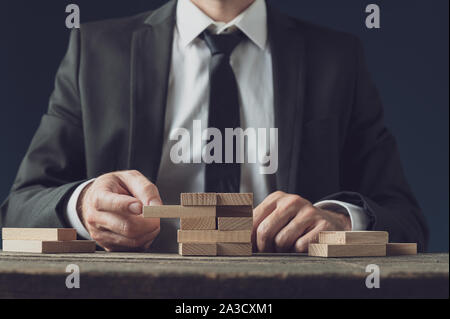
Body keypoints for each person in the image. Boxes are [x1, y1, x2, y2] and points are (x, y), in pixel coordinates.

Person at [0, 0, 428, 253]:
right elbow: (20, 207)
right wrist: (83, 205)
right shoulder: (96, 51)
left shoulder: (337, 59)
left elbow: (404, 218)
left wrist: (339, 220)